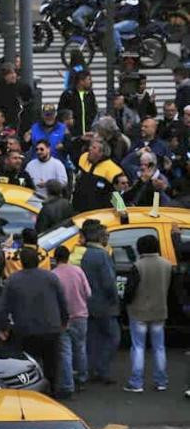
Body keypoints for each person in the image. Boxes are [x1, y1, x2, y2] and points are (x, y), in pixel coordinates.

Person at [0, 246, 68, 391]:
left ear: (21, 262)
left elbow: (3, 307)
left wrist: (3, 327)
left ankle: (33, 391)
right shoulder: (51, 277)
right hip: (50, 328)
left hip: (25, 329)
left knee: (28, 363)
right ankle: (53, 390)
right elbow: (62, 301)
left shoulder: (13, 280)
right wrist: (64, 320)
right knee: (52, 362)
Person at [124, 234, 172, 392]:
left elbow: (129, 291)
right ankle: (161, 381)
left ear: (139, 248)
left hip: (139, 312)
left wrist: (126, 304)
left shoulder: (138, 266)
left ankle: (136, 383)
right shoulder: (167, 265)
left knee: (138, 347)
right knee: (159, 347)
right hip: (159, 310)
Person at [80, 220, 120, 384]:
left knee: (92, 339)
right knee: (113, 337)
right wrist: (115, 299)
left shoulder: (85, 254)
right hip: (105, 304)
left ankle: (90, 369)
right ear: (100, 237)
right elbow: (109, 282)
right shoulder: (102, 255)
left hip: (90, 303)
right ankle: (102, 369)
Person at [52, 245, 91, 398]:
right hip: (80, 315)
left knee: (65, 352)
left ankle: (68, 385)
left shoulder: (53, 275)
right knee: (80, 347)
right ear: (68, 257)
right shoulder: (78, 271)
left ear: (55, 258)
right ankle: (82, 378)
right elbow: (88, 293)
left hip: (62, 318)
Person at [72, 138, 123, 213]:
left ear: (101, 153)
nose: (90, 149)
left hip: (99, 214)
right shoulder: (85, 159)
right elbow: (72, 153)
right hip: (78, 210)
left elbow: (116, 194)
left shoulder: (112, 170)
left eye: (94, 148)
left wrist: (121, 210)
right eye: (90, 146)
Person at [0, 63, 35, 132]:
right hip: (4, 120)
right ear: (5, 76)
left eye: (14, 73)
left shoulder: (22, 87)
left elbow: (29, 101)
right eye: (10, 74)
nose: (13, 76)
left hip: (18, 120)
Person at [59, 69, 99, 137]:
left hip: (88, 134)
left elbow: (94, 111)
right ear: (81, 81)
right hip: (73, 136)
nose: (90, 82)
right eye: (88, 79)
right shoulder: (68, 95)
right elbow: (60, 113)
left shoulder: (90, 94)